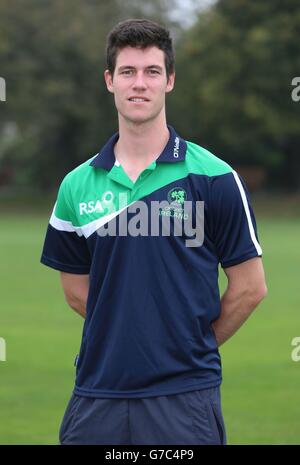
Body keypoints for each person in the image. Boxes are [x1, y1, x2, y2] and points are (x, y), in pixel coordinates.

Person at [40, 18, 268, 445]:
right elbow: (74, 290)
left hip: (183, 398)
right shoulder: (77, 184)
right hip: (97, 394)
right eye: (127, 72)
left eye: (151, 72)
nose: (138, 83)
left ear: (170, 81)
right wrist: (127, 332)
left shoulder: (215, 178)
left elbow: (250, 288)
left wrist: (187, 344)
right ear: (110, 81)